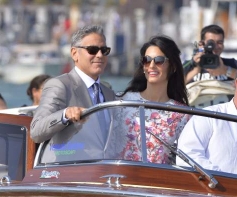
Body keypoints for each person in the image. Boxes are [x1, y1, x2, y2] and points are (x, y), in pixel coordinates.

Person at [30, 25, 115, 143]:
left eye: (104, 50)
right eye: (92, 50)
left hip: (104, 161)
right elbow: (36, 131)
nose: (100, 55)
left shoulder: (109, 93)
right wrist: (64, 115)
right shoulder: (59, 85)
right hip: (68, 160)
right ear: (74, 53)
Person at [116, 35, 190, 164]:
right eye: (147, 60)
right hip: (120, 179)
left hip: (156, 181)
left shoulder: (182, 115)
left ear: (172, 67)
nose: (151, 65)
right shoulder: (122, 102)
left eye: (159, 60)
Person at [176, 78, 237, 174]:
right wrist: (224, 180)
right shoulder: (208, 116)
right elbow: (186, 156)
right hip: (212, 187)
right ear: (236, 82)